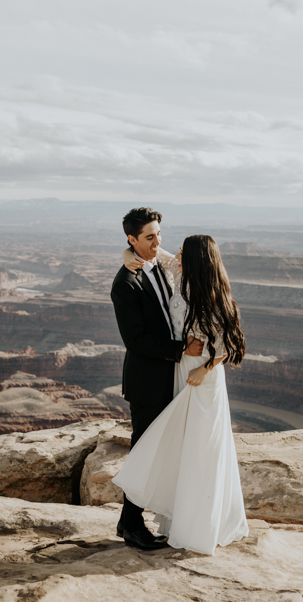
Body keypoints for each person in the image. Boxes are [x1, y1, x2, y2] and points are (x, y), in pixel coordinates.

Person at [112, 233, 250, 556]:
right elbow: (153, 255)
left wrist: (205, 369)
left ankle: (199, 525)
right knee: (182, 450)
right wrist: (125, 253)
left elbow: (231, 343)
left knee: (202, 453)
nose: (176, 253)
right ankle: (167, 520)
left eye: (184, 252)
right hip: (179, 372)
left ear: (198, 259)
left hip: (203, 380)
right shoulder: (180, 273)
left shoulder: (216, 297)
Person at [110, 207, 204, 551]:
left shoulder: (157, 262)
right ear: (132, 239)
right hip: (148, 381)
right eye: (149, 237)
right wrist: (181, 350)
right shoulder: (125, 283)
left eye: (159, 234)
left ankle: (136, 520)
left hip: (173, 377)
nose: (157, 242)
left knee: (164, 452)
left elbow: (183, 261)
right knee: (145, 452)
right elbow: (134, 340)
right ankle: (131, 523)